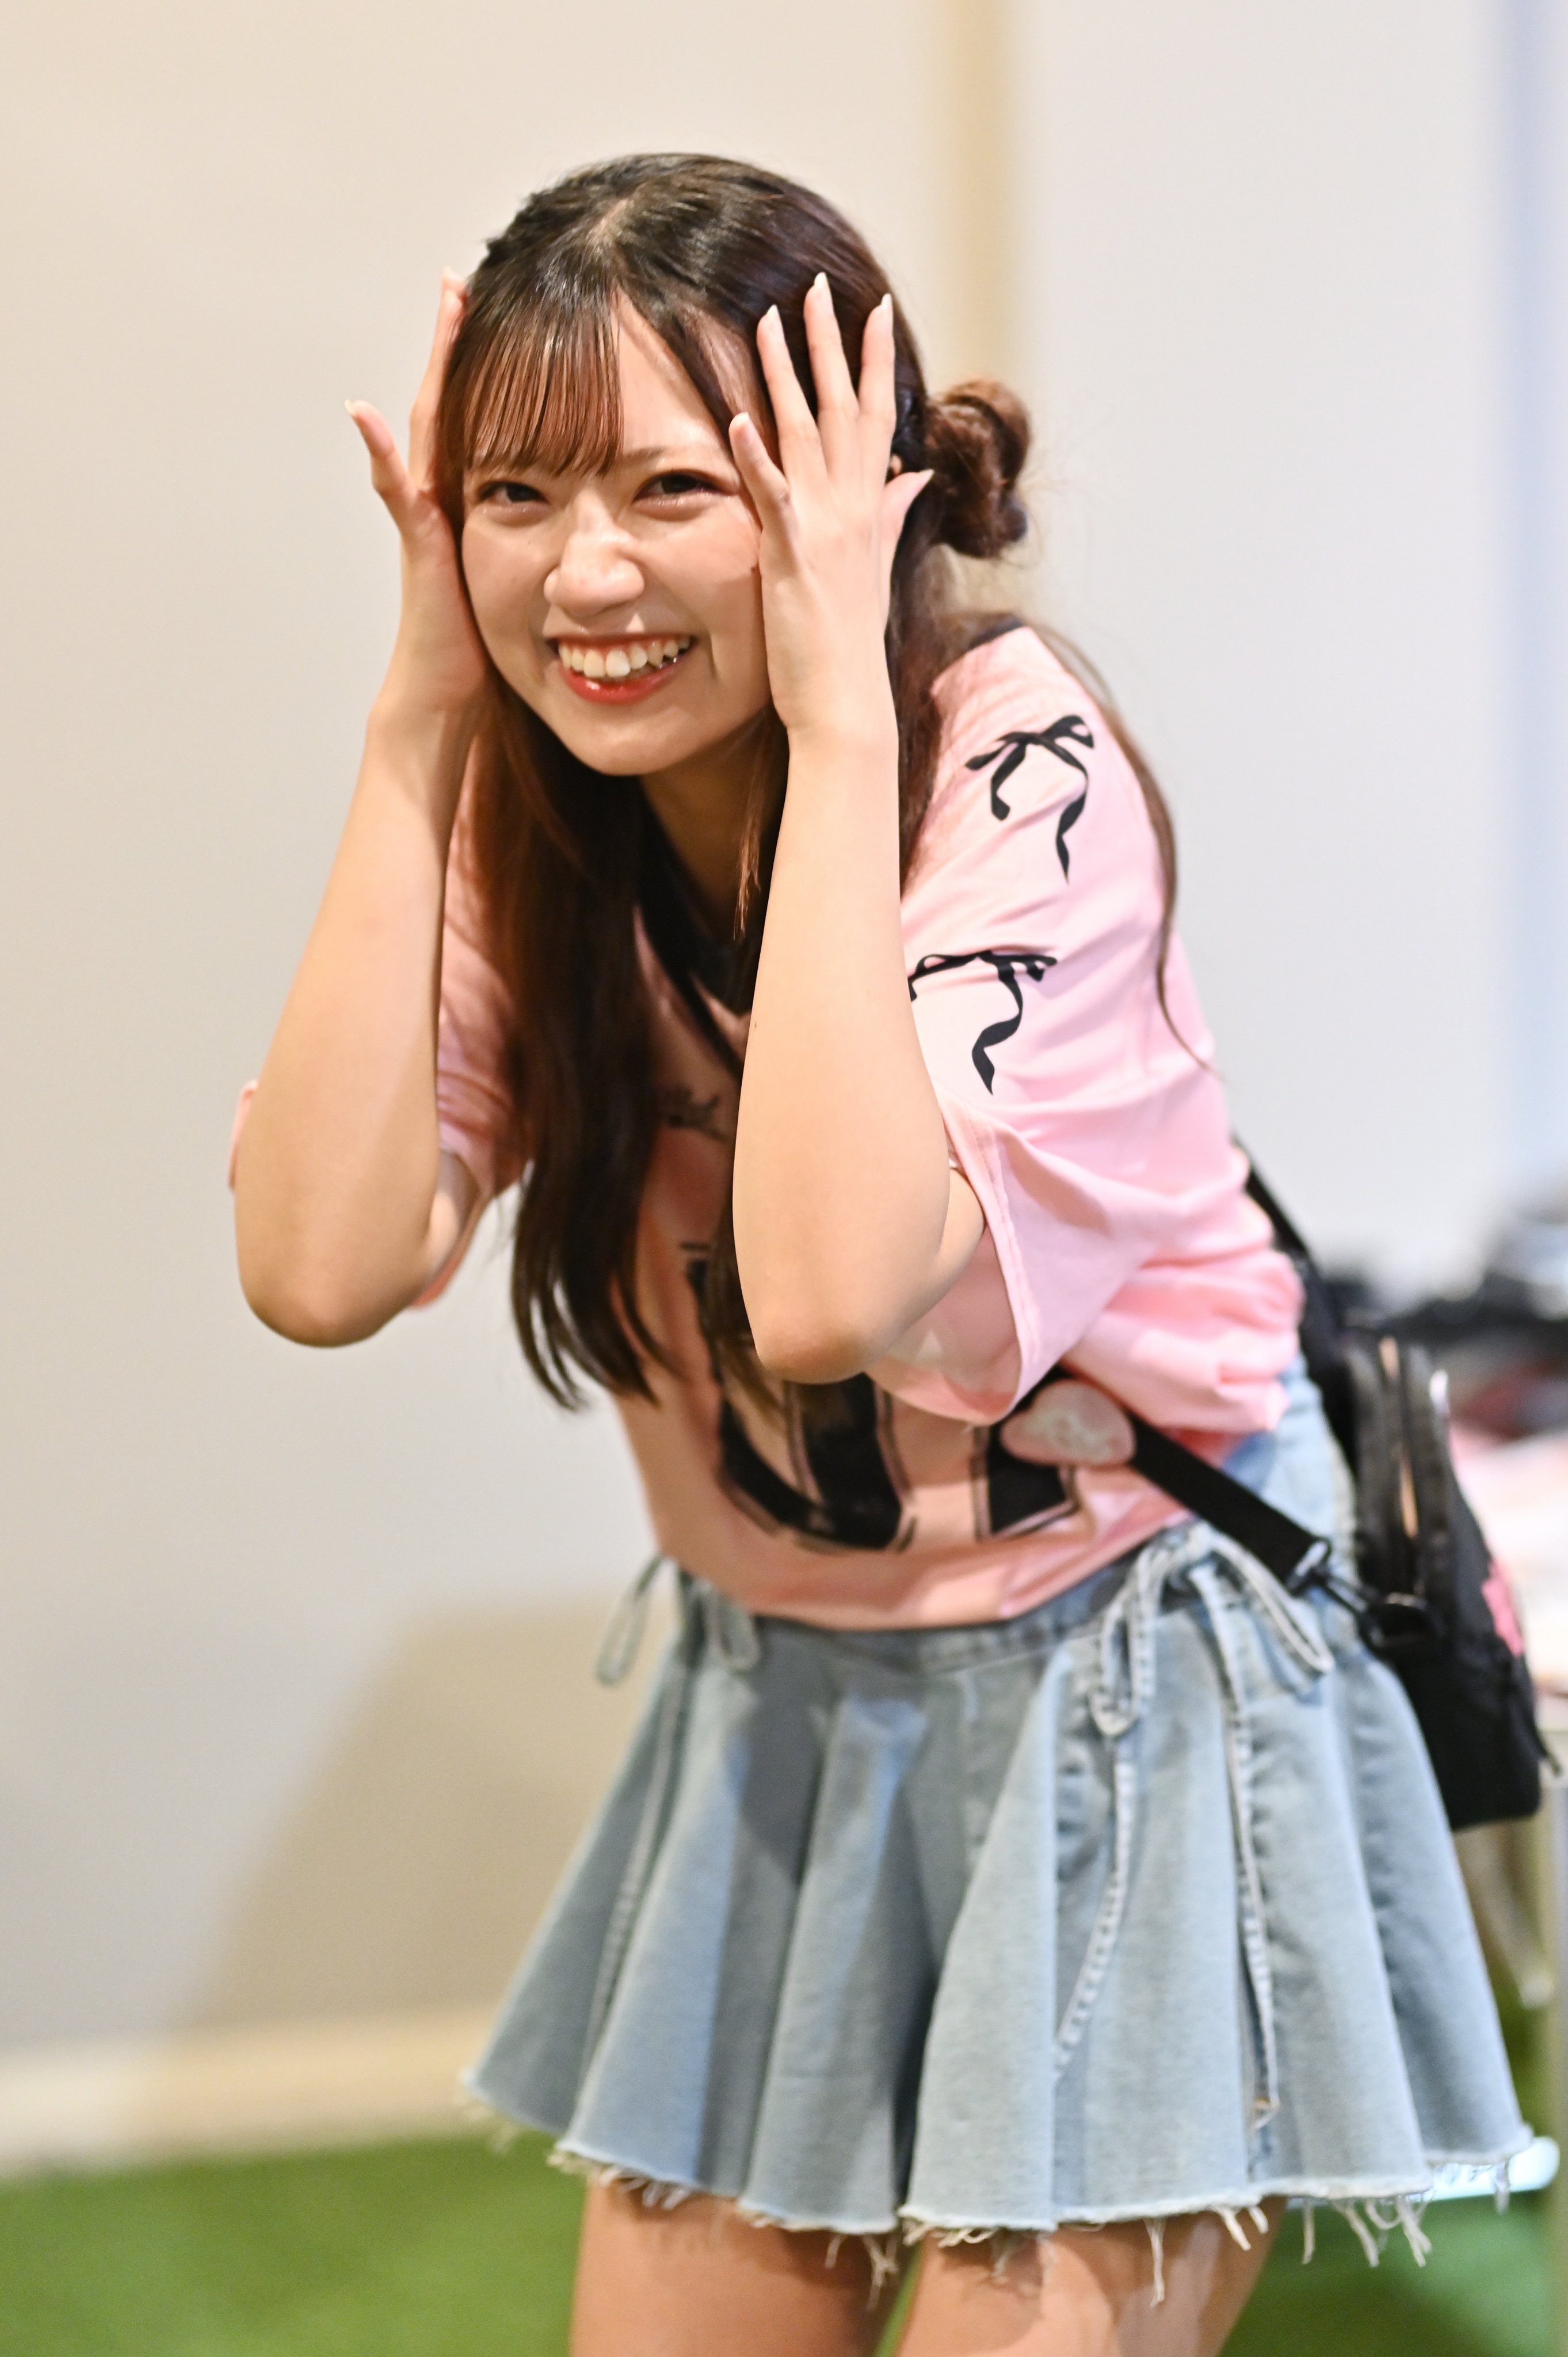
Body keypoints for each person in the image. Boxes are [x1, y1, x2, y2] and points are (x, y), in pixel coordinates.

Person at [230, 154, 1526, 2356]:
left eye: (676, 485)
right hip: (796, 1696)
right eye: (518, 495)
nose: (589, 572)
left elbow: (836, 1294)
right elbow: (319, 1264)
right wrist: (421, 710)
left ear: (849, 495)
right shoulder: (539, 813)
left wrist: (840, 712)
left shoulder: (1009, 768)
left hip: (1139, 1659)